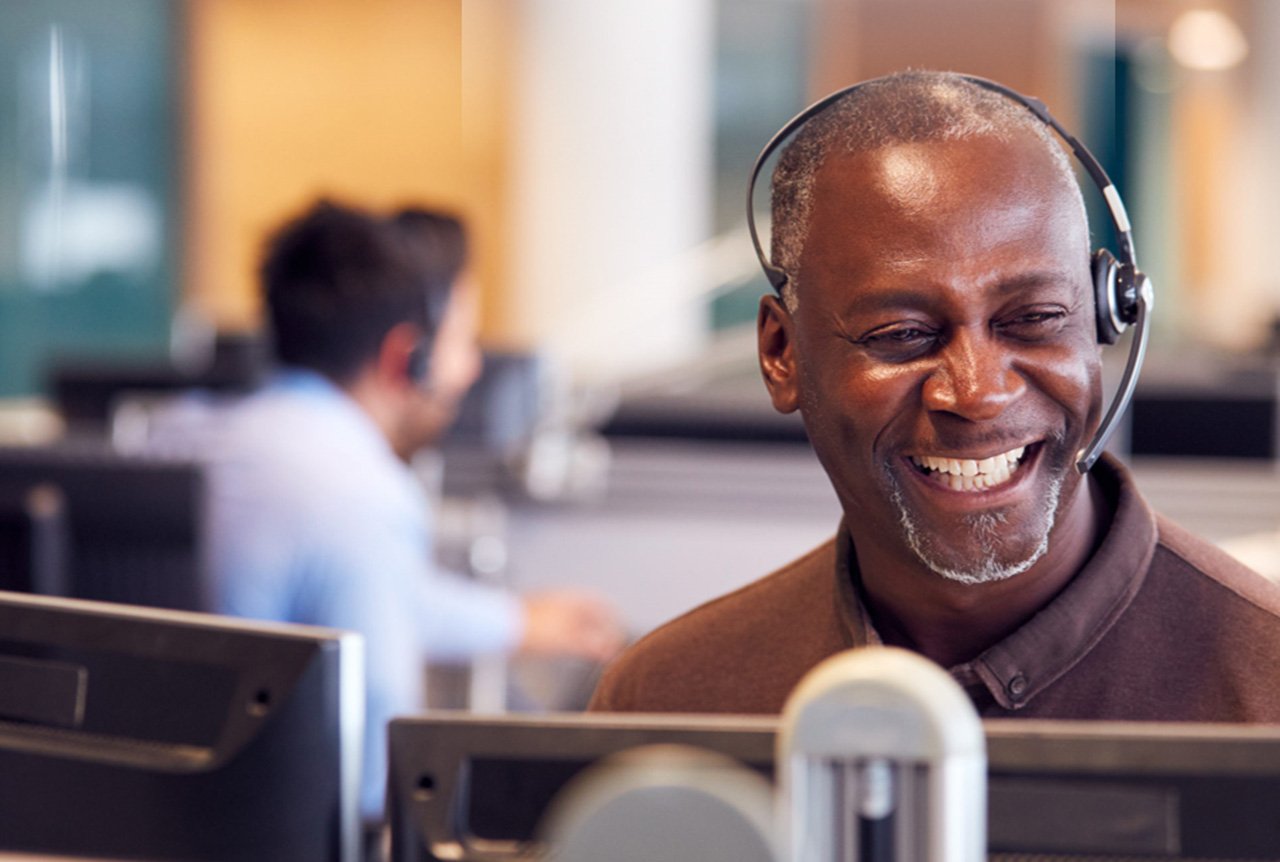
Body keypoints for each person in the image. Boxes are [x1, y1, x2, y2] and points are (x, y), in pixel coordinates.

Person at [589, 70, 1280, 721]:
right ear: (782, 354)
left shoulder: (1264, 688)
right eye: (903, 334)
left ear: (1106, 314)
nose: (978, 393)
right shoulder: (669, 702)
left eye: (1034, 319)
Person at [171, 199, 623, 822]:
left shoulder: (182, 435)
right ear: (402, 358)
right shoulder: (361, 494)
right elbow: (376, 768)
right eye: (459, 341)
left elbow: (347, 589)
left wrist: (515, 622)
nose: (466, 371)